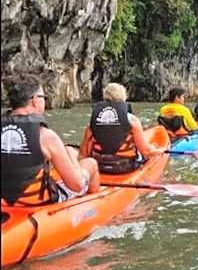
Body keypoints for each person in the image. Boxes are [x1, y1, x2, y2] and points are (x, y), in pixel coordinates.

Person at [1, 77, 100, 206]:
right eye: (43, 97)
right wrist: (73, 159)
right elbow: (76, 185)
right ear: (35, 101)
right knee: (90, 163)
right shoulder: (46, 136)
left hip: (4, 203)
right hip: (33, 203)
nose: (44, 102)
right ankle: (94, 208)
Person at [79, 83, 159, 173]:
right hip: (124, 167)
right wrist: (159, 151)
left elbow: (83, 153)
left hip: (99, 167)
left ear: (105, 97)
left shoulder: (93, 121)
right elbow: (146, 151)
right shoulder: (132, 120)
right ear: (123, 98)